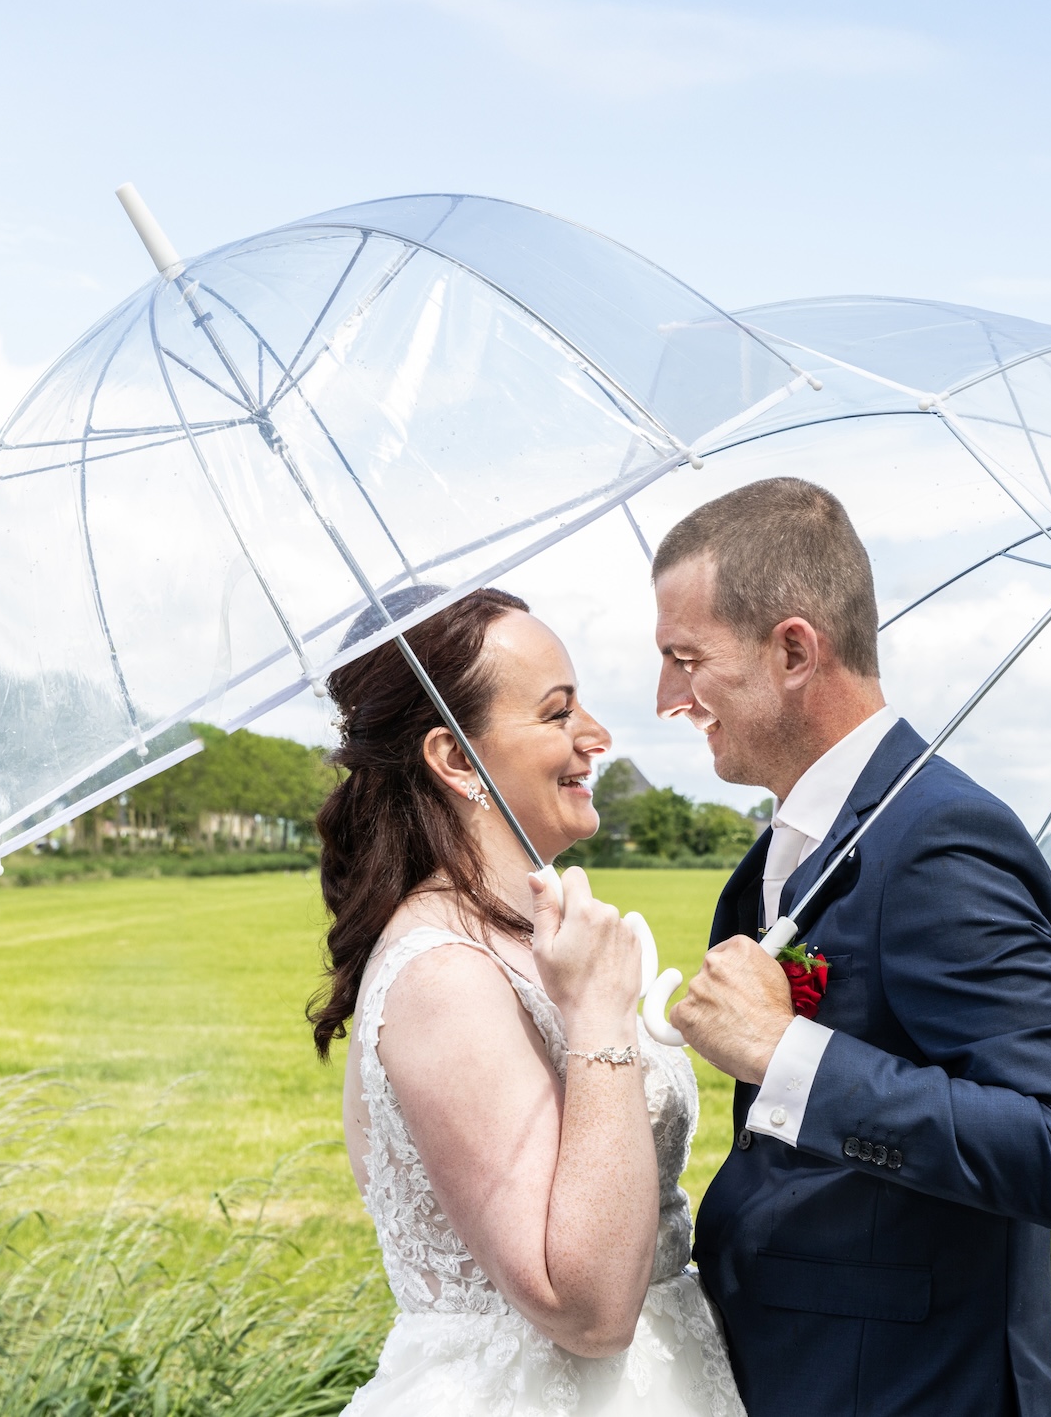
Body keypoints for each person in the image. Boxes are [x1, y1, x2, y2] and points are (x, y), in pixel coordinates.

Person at [654, 478, 1051, 1417]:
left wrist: (787, 1054)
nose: (668, 697)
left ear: (793, 649)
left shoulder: (942, 844)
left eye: (685, 658)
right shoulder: (775, 859)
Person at [311, 584, 744, 1417]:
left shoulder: (531, 936)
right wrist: (597, 1018)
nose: (598, 737)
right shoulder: (442, 973)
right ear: (455, 758)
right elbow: (585, 1310)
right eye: (557, 714)